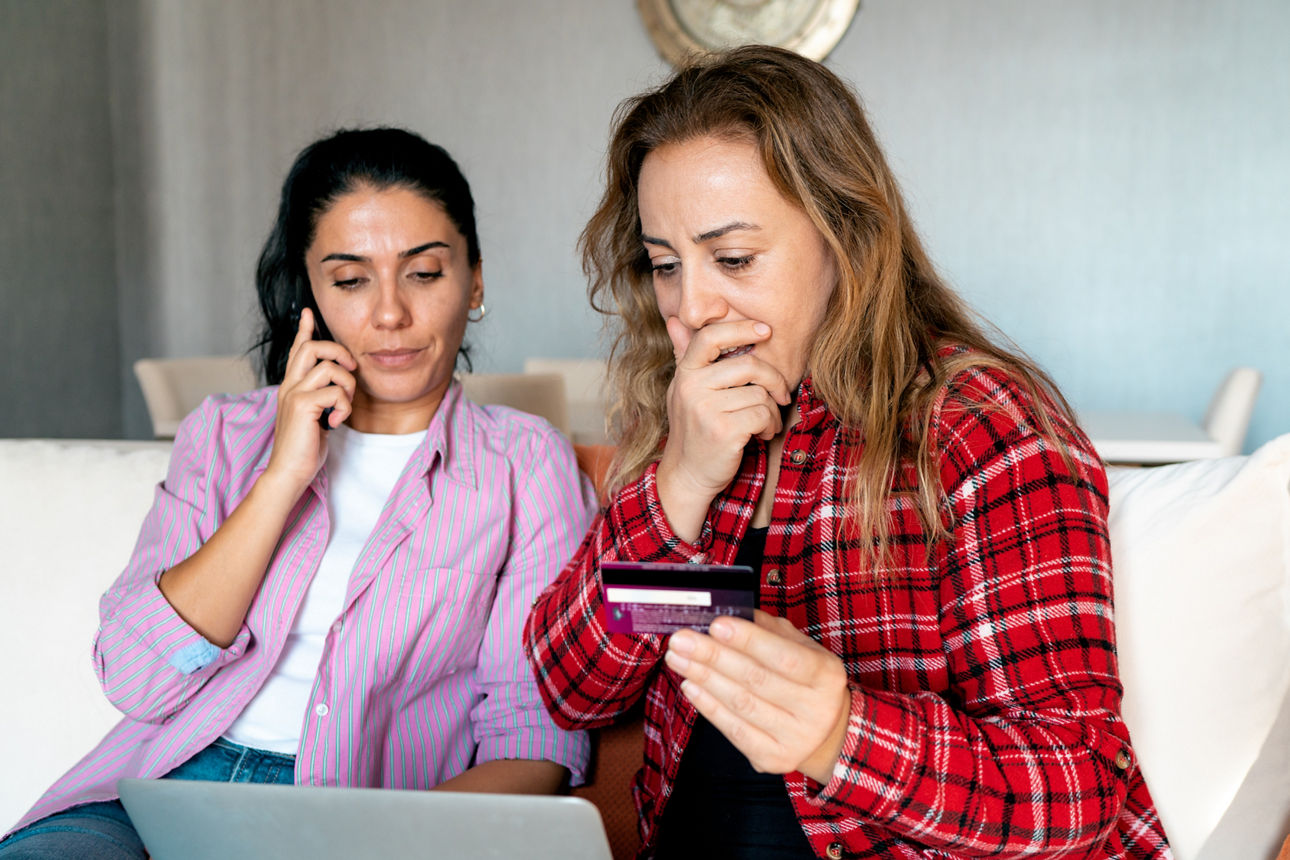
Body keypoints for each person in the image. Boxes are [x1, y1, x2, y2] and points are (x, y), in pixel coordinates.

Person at [524, 46, 1170, 859]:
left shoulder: (979, 427)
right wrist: (679, 485)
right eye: (664, 265)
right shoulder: (687, 421)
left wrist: (842, 731)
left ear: (845, 236)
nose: (690, 307)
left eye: (732, 260)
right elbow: (571, 690)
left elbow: (1077, 790)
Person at [1, 127, 595, 858]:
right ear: (308, 293)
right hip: (151, 796)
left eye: (425, 273)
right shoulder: (223, 435)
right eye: (350, 280)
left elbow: (533, 732)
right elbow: (136, 678)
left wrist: (380, 842)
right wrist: (283, 476)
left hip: (353, 821)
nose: (388, 315)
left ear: (475, 282)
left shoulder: (523, 463)